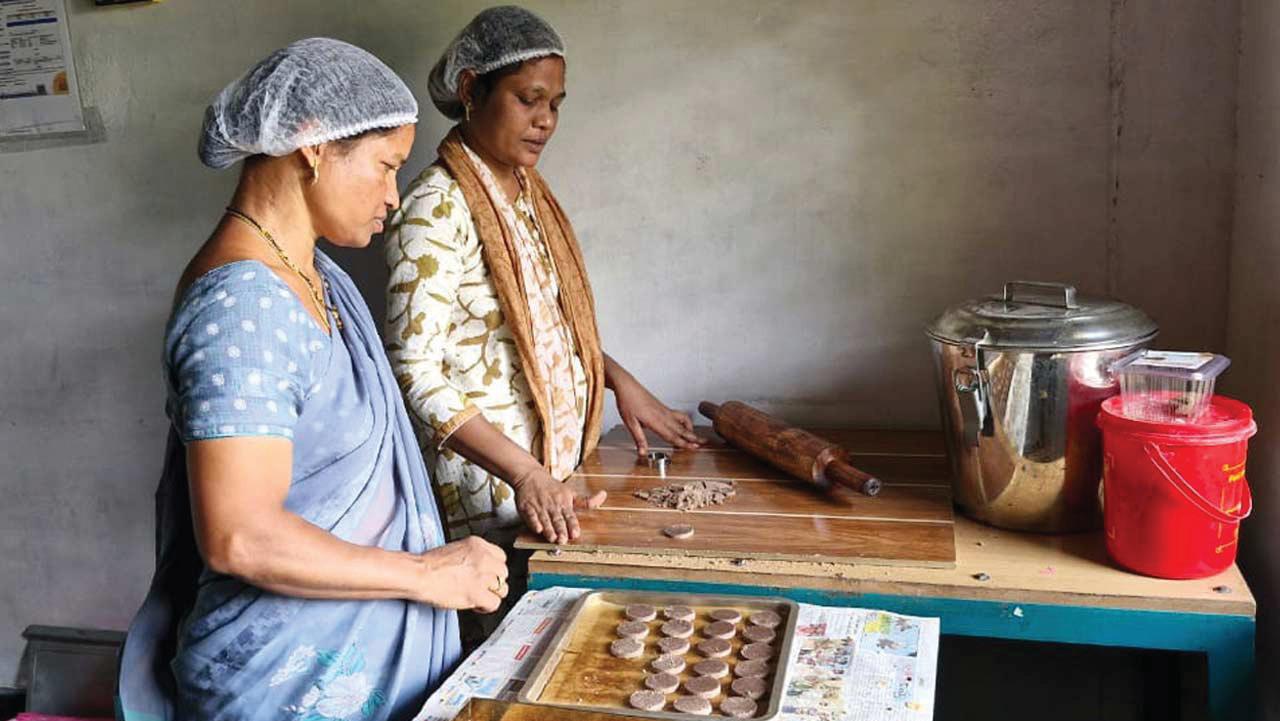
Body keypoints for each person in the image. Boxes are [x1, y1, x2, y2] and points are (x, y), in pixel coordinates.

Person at [117, 38, 508, 721]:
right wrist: (426, 573)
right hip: (284, 687)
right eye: (385, 166)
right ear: (314, 146)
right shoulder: (242, 305)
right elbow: (241, 535)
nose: (393, 196)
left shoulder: (315, 277)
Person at [385, 6, 702, 642]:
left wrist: (617, 379)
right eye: (528, 99)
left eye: (555, 103)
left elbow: (544, 323)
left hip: (552, 485)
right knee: (500, 659)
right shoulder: (436, 208)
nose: (546, 121)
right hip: (490, 501)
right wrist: (526, 474)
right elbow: (411, 370)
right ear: (471, 89)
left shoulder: (525, 195)